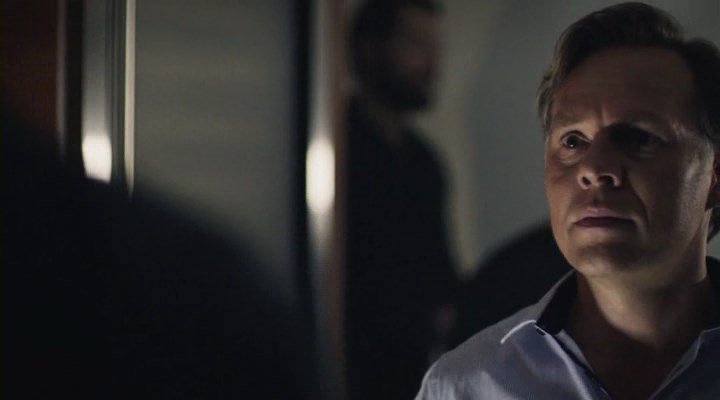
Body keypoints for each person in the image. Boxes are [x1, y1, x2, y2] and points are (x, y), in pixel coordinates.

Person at [416, 2, 720, 399]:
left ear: (714, 176)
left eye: (638, 137)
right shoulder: (467, 386)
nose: (594, 168)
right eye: (573, 141)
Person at [344, 1, 458, 399]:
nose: (432, 62)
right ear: (370, 49)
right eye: (417, 45)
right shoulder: (335, 151)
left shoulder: (425, 163)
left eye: (436, 47)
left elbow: (441, 281)